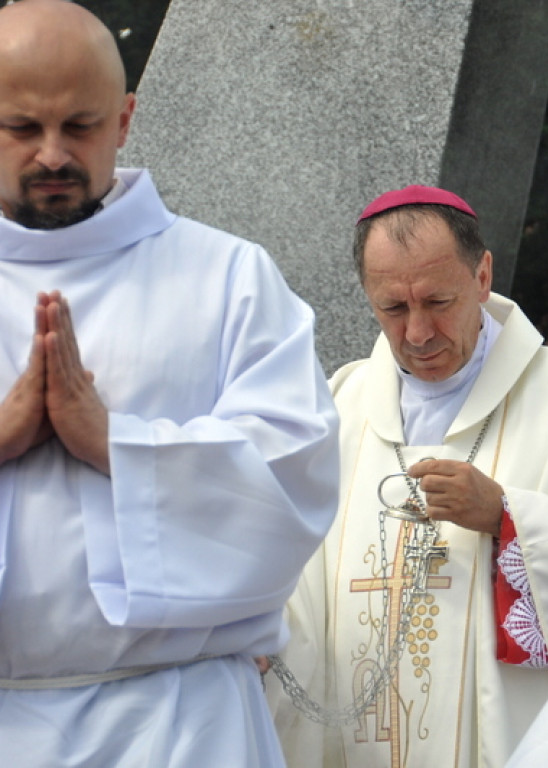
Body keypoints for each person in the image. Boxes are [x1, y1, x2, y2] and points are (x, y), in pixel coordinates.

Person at [0, 2, 340, 765]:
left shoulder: (227, 277)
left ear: (123, 121)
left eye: (80, 126)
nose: (52, 154)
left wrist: (116, 443)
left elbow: (296, 474)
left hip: (179, 724)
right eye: (22, 127)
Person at [267, 185, 548, 766]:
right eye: (393, 308)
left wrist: (510, 518)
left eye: (438, 301)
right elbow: (290, 575)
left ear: (482, 276)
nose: (417, 333)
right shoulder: (338, 407)